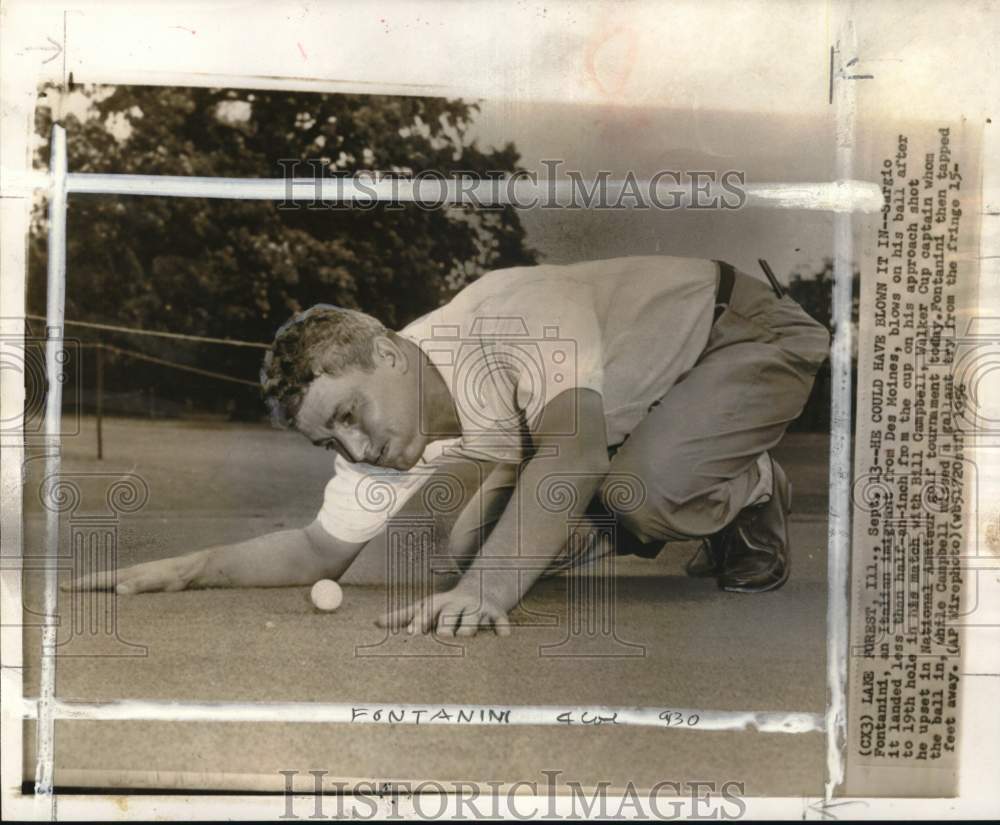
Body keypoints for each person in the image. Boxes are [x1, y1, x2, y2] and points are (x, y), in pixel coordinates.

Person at [67, 256, 830, 638]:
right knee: (474, 542)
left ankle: (749, 483)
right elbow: (316, 550)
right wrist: (190, 568)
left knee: (637, 492)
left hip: (738, 336)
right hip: (631, 403)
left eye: (350, 413)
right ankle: (693, 471)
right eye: (329, 435)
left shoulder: (507, 321)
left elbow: (569, 455)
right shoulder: (387, 431)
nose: (355, 445)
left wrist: (487, 595)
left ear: (390, 353)